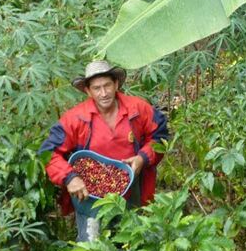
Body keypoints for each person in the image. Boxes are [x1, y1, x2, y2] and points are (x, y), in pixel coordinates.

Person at [39, 60, 169, 241]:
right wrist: (70, 177)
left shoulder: (137, 108)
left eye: (107, 85)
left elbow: (160, 136)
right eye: (97, 88)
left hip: (130, 186)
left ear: (116, 84)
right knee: (92, 244)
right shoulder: (75, 119)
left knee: (132, 239)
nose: (104, 93)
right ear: (88, 91)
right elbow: (47, 153)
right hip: (89, 194)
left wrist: (142, 158)